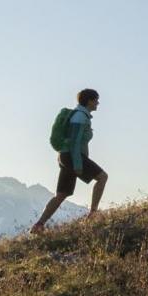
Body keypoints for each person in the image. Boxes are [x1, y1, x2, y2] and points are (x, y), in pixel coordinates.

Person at [31, 88, 107, 234]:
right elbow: (75, 142)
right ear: (89, 101)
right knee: (102, 177)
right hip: (73, 156)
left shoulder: (79, 115)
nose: (98, 102)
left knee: (61, 194)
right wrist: (78, 164)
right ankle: (93, 214)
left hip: (65, 156)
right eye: (96, 99)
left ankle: (38, 225)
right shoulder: (80, 117)